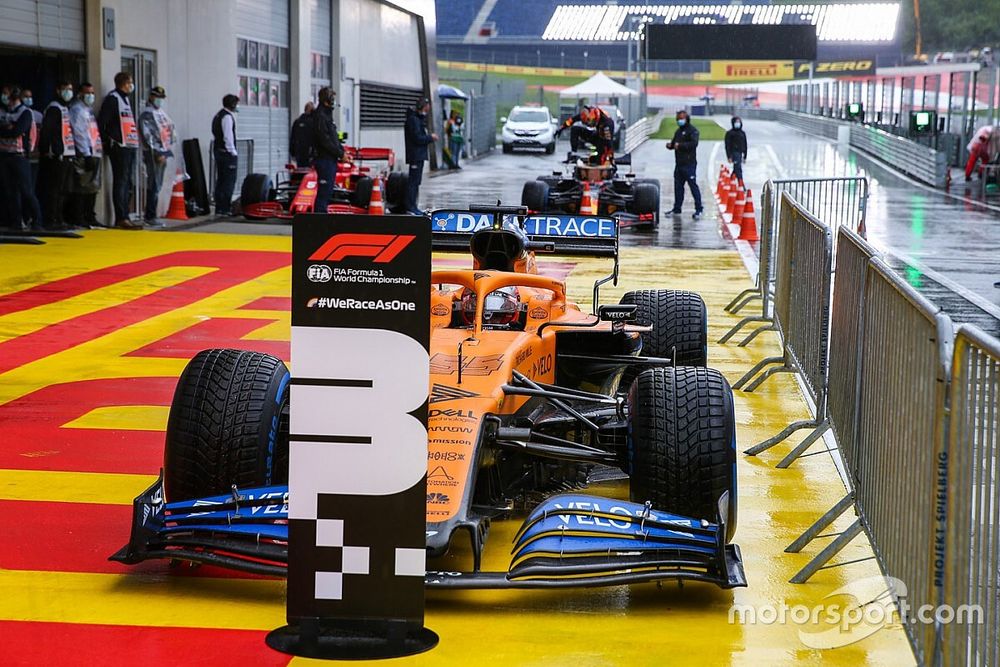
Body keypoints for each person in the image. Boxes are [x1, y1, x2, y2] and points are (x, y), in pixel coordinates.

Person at [98, 72, 141, 229]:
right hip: (119, 146)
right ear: (123, 83)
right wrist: (108, 141)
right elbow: (103, 121)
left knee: (127, 181)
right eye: (130, 82)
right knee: (121, 181)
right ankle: (121, 217)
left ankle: (126, 215)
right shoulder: (113, 99)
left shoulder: (125, 100)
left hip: (129, 145)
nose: (131, 85)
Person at [0, 87, 42, 230]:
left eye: (6, 94)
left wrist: (9, 130)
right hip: (5, 154)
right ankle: (16, 222)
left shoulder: (25, 112)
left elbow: (18, 130)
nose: (4, 97)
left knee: (27, 190)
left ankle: (37, 221)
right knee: (11, 191)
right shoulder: (3, 111)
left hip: (20, 155)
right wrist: (8, 129)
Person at [37, 81, 77, 229]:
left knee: (63, 189)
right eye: (65, 89)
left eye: (70, 89)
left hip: (67, 153)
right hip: (57, 155)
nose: (68, 92)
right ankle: (51, 219)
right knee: (54, 189)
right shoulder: (54, 108)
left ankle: (59, 218)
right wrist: (50, 151)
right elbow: (48, 131)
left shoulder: (65, 108)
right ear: (58, 90)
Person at [67, 82, 102, 227]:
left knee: (93, 186)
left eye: (92, 93)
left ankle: (90, 215)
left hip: (94, 151)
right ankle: (79, 216)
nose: (91, 96)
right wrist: (86, 154)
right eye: (88, 93)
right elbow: (79, 133)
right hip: (84, 152)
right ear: (80, 94)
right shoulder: (77, 110)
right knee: (82, 186)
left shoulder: (88, 110)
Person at [139, 86, 174, 226]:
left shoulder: (160, 113)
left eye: (161, 98)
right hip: (154, 153)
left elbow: (169, 131)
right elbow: (148, 136)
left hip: (163, 152)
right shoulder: (147, 115)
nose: (160, 101)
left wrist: (166, 150)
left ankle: (151, 214)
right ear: (151, 97)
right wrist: (158, 152)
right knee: (153, 184)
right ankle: (150, 215)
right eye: (157, 98)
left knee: (157, 184)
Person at [310, 87, 344, 213]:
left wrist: (342, 151)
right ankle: (319, 220)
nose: (334, 101)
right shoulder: (320, 117)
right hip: (324, 159)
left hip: (330, 159)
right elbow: (325, 141)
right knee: (323, 193)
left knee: (328, 191)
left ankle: (321, 217)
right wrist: (340, 153)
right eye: (332, 99)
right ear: (326, 101)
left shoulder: (327, 116)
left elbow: (333, 137)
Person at [665, 110, 702, 219]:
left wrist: (680, 145)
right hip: (679, 164)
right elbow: (674, 143)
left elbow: (694, 144)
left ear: (686, 119)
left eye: (682, 118)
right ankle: (677, 208)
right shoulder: (678, 132)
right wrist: (670, 145)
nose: (680, 121)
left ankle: (699, 209)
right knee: (678, 187)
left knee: (693, 186)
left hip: (689, 163)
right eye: (678, 119)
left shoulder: (693, 131)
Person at [403, 97, 438, 215]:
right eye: (426, 108)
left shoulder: (417, 120)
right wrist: (430, 138)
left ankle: (413, 205)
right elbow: (417, 138)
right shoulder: (413, 120)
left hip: (418, 155)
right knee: (413, 182)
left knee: (416, 182)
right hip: (415, 155)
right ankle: (410, 206)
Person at [211, 94, 239, 216]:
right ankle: (225, 208)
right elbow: (228, 136)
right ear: (232, 104)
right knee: (228, 181)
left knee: (221, 180)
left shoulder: (218, 115)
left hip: (218, 151)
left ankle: (219, 207)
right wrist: (233, 152)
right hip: (226, 153)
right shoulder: (227, 117)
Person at [289, 101, 314, 167]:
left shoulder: (297, 121)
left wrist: (292, 152)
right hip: (309, 154)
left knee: (300, 170)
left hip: (299, 153)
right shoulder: (313, 122)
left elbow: (292, 138)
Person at [725, 116, 748, 182]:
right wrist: (729, 156)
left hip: (740, 153)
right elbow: (727, 146)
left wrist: (745, 156)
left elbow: (745, 145)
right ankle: (741, 183)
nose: (737, 123)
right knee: (738, 168)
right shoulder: (730, 133)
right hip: (734, 153)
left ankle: (730, 181)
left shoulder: (742, 133)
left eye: (739, 122)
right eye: (736, 122)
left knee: (736, 169)